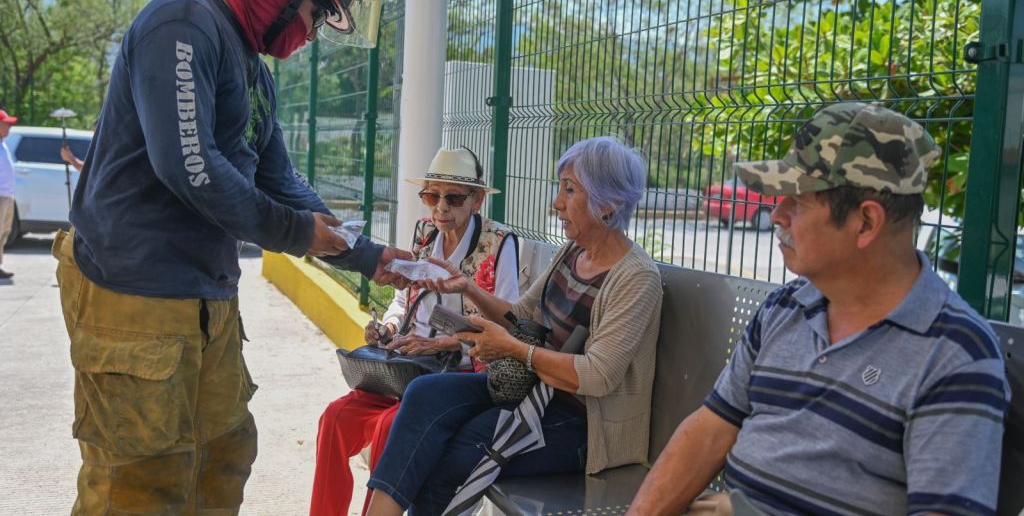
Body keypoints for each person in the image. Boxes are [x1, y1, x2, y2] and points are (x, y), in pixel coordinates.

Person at [52, 0, 411, 515]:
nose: (310, 34)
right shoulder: (181, 26)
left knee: (221, 457)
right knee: (140, 482)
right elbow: (190, 166)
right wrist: (297, 232)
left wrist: (369, 256)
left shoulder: (253, 68)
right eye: (315, 14)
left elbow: (279, 178)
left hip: (207, 297)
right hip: (132, 291)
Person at [628, 102, 1010, 516]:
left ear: (866, 222)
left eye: (797, 202)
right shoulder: (785, 308)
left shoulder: (955, 355)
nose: (777, 214)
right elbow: (710, 430)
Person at [363, 136, 664, 515]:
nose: (556, 202)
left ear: (609, 203)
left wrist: (514, 350)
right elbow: (521, 314)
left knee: (463, 451)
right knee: (424, 394)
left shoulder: (636, 278)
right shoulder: (573, 252)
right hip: (532, 390)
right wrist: (467, 286)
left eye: (569, 190)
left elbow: (598, 376)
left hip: (582, 424)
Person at [310, 146, 521, 516]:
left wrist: (440, 343)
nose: (440, 208)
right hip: (407, 367)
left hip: (456, 375)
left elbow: (507, 326)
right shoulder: (425, 233)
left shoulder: (499, 243)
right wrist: (389, 327)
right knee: (335, 418)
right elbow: (403, 299)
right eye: (431, 195)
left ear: (477, 200)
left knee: (388, 429)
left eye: (454, 198)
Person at [0, 109, 17, 280]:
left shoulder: (3, 143)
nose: (9, 127)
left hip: (7, 195)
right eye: (6, 124)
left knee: (4, 232)